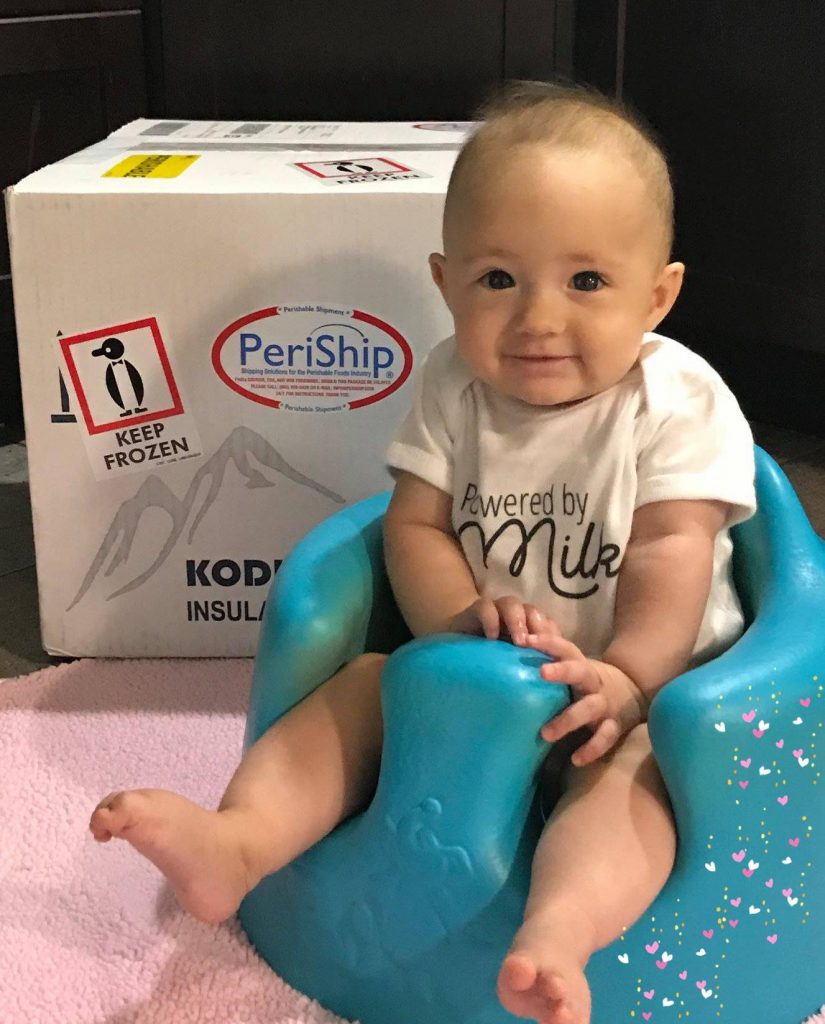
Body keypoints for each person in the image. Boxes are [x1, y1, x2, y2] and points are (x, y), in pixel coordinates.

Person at [90, 80, 756, 1024]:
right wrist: (451, 627)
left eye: (586, 282)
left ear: (657, 296)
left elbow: (670, 550)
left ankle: (557, 937)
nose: (536, 318)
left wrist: (629, 679)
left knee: (636, 780)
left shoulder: (677, 399)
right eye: (498, 279)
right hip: (471, 676)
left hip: (630, 690)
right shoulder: (453, 386)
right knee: (360, 687)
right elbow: (415, 523)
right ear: (445, 285)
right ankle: (238, 845)